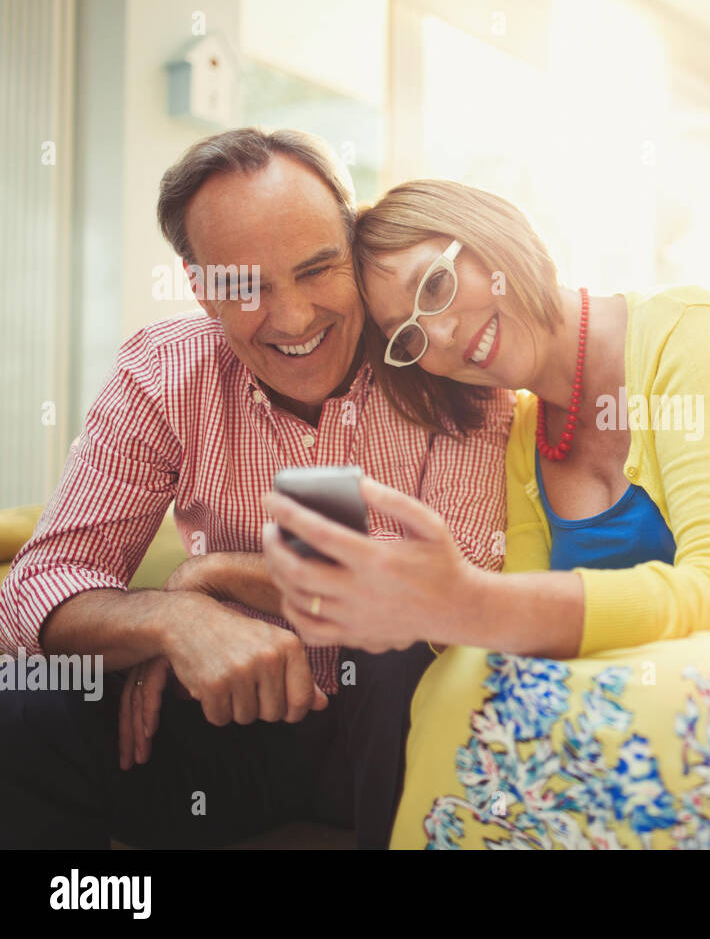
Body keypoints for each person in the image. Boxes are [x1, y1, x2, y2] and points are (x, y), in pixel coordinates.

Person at [260, 179, 710, 849]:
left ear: (490, 234)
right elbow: (510, 638)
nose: (440, 336)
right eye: (408, 338)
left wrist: (476, 600)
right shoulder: (524, 434)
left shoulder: (688, 333)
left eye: (435, 285)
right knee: (459, 686)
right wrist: (422, 606)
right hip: (643, 707)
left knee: (686, 700)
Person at [0, 130, 512, 849]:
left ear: (354, 244)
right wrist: (173, 625)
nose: (295, 318)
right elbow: (35, 589)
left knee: (397, 656)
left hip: (395, 727)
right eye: (245, 286)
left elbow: (445, 595)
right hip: (223, 729)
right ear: (201, 287)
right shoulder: (164, 373)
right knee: (26, 702)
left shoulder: (442, 357)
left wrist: (213, 578)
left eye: (317, 269)